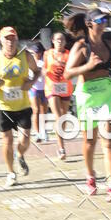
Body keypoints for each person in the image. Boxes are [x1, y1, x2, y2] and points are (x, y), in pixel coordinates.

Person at [64, 8, 111, 201]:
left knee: (109, 139)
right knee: (90, 141)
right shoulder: (81, 47)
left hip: (106, 92)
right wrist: (88, 66)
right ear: (89, 23)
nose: (103, 23)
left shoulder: (109, 44)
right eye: (99, 21)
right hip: (87, 95)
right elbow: (67, 73)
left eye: (105, 20)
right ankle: (90, 176)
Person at [0, 27, 39, 188]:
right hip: (2, 106)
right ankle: (11, 173)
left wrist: (31, 82)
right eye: (7, 39)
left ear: (17, 40)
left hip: (23, 105)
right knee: (7, 140)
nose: (10, 42)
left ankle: (20, 154)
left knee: (25, 140)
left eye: (12, 38)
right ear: (1, 40)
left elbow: (37, 71)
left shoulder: (25, 55)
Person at [44, 31, 74, 159]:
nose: (60, 41)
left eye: (62, 39)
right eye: (57, 39)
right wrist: (44, 72)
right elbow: (44, 68)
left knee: (64, 117)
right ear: (53, 41)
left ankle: (60, 136)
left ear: (65, 42)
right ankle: (61, 148)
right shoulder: (48, 54)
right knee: (58, 117)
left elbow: (73, 69)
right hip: (52, 88)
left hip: (65, 87)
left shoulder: (69, 54)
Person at [28, 41, 48, 143]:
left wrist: (43, 71)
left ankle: (43, 131)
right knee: (36, 110)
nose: (37, 54)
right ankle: (37, 133)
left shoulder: (44, 61)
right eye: (34, 52)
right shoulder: (29, 61)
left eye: (38, 52)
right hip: (34, 88)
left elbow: (47, 73)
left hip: (44, 89)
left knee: (44, 112)